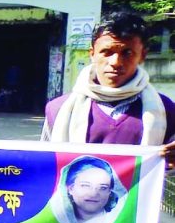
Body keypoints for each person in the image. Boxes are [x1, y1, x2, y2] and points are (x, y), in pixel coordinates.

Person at [43, 12, 175, 166]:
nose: (116, 62)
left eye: (127, 53)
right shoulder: (58, 109)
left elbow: (168, 176)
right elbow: (46, 167)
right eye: (107, 52)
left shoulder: (165, 110)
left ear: (142, 55)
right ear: (92, 54)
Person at [51, 156, 125, 223]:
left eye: (103, 188)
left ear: (110, 192)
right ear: (71, 189)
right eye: (85, 186)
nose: (93, 193)